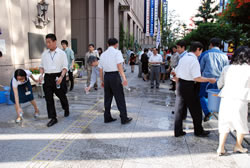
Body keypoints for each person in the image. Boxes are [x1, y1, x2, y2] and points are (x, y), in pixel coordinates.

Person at [173, 41, 216, 137]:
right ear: (198, 49)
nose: (200, 53)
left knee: (179, 110)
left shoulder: (183, 58)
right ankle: (198, 131)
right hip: (190, 86)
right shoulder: (194, 60)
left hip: (181, 85)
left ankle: (178, 131)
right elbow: (197, 78)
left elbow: (176, 74)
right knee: (196, 110)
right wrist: (209, 79)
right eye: (201, 51)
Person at [216, 47, 250, 156]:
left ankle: (221, 147)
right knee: (241, 122)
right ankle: (238, 146)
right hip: (241, 98)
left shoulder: (227, 68)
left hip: (226, 97)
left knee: (224, 122)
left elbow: (219, 84)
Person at [99, 38, 132, 125]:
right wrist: (124, 78)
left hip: (106, 77)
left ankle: (107, 117)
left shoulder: (103, 54)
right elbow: (119, 66)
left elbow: (100, 69)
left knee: (107, 98)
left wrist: (102, 80)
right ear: (116, 44)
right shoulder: (117, 52)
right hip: (114, 76)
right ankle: (124, 118)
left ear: (107, 44)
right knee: (119, 97)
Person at [39, 34, 70, 127]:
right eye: (46, 42)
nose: (47, 44)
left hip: (58, 77)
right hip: (47, 77)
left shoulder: (61, 53)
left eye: (49, 42)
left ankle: (66, 108)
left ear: (54, 41)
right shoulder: (44, 54)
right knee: (48, 98)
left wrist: (61, 77)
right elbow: (41, 66)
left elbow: (65, 67)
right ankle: (53, 118)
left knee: (61, 95)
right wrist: (41, 75)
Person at [199, 38, 229, 122]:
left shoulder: (205, 54)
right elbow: (226, 69)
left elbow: (200, 68)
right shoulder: (225, 56)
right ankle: (211, 112)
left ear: (211, 44)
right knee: (213, 97)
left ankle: (207, 112)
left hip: (206, 79)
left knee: (201, 96)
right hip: (218, 81)